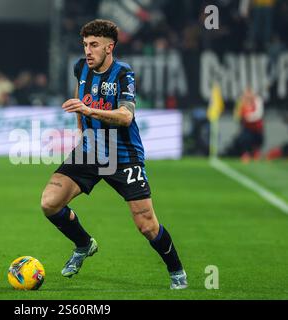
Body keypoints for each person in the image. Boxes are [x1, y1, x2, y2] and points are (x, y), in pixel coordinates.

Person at [40, 19, 187, 289]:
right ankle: (84, 244)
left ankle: (176, 270)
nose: (88, 50)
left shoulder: (123, 74)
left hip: (124, 156)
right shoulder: (80, 67)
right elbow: (79, 99)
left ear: (110, 47)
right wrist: (81, 130)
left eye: (94, 44)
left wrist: (89, 111)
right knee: (50, 203)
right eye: (85, 44)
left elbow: (126, 116)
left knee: (147, 225)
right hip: (90, 149)